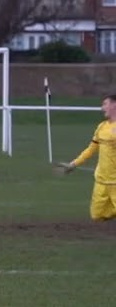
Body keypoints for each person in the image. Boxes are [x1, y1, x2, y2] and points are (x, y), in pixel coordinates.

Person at [58, 93, 116, 222]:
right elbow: (91, 149)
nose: (102, 107)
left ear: (114, 105)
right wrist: (73, 164)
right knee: (97, 215)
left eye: (105, 104)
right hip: (101, 180)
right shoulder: (102, 127)